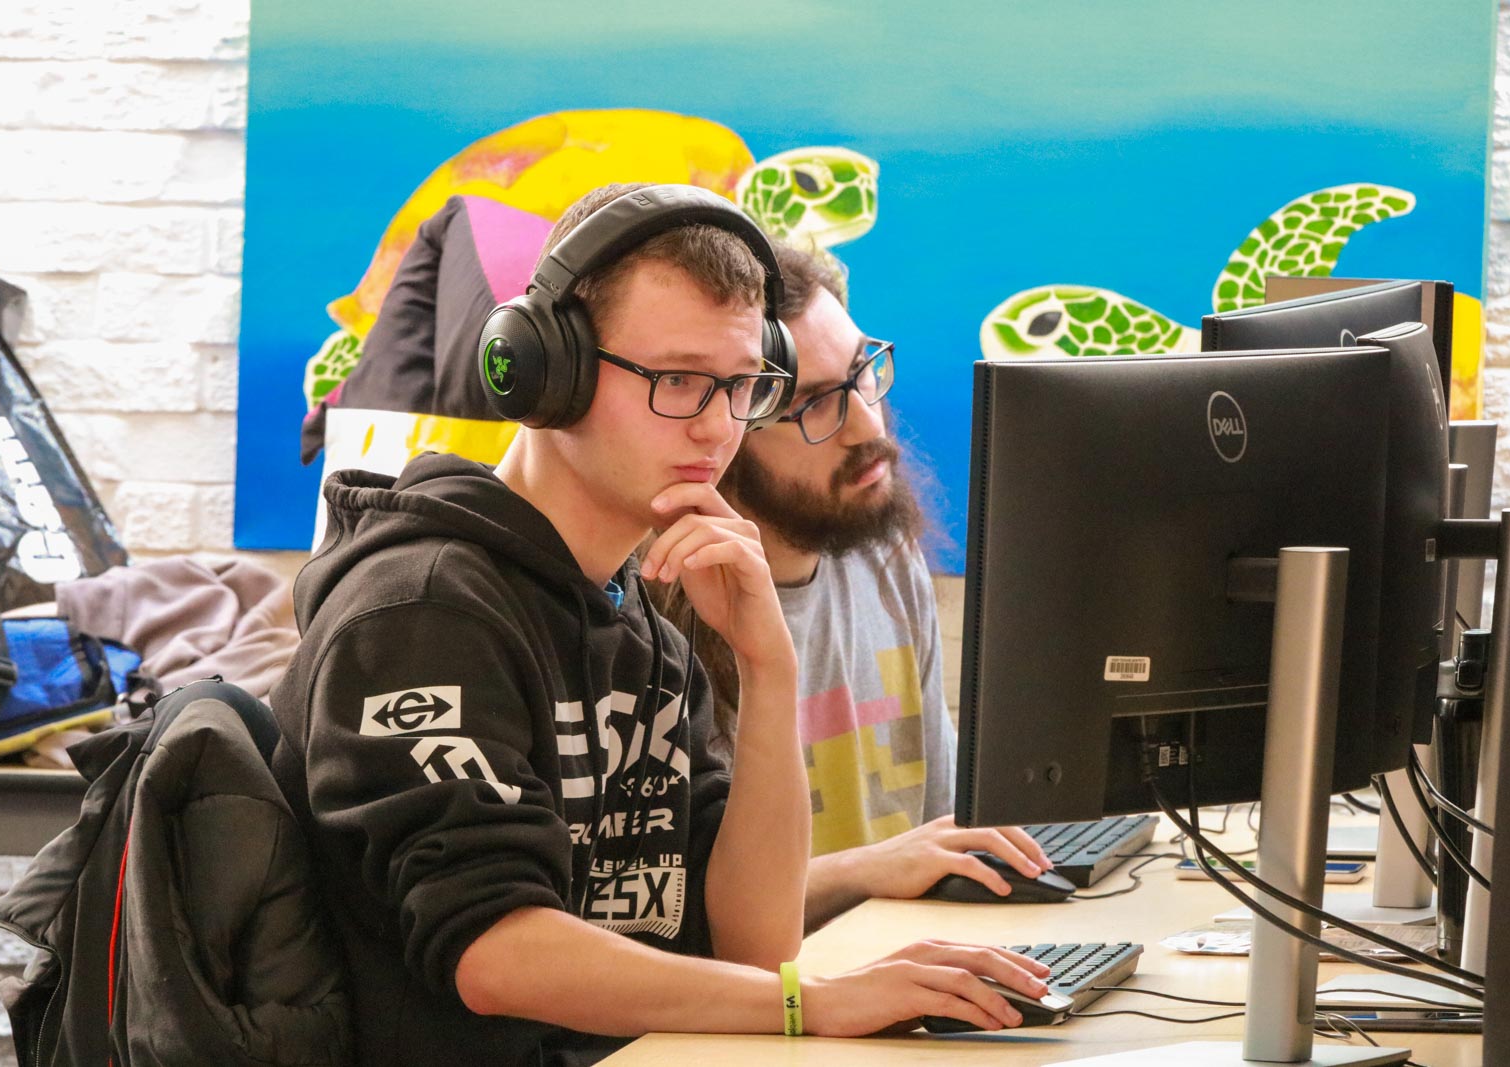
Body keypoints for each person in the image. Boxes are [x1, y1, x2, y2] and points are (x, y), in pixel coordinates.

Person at [270, 182, 1051, 1067]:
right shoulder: (421, 610)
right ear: (548, 371)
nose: (718, 427)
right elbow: (497, 953)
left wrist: (768, 666)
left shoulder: (637, 622)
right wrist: (811, 1005)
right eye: (678, 381)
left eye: (742, 385)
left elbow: (755, 942)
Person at [653, 241, 1053, 931]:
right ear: (725, 438)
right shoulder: (658, 617)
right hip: (771, 989)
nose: (867, 424)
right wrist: (867, 869)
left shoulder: (881, 553)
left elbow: (942, 832)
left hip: (904, 958)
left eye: (862, 371)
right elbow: (673, 913)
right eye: (813, 404)